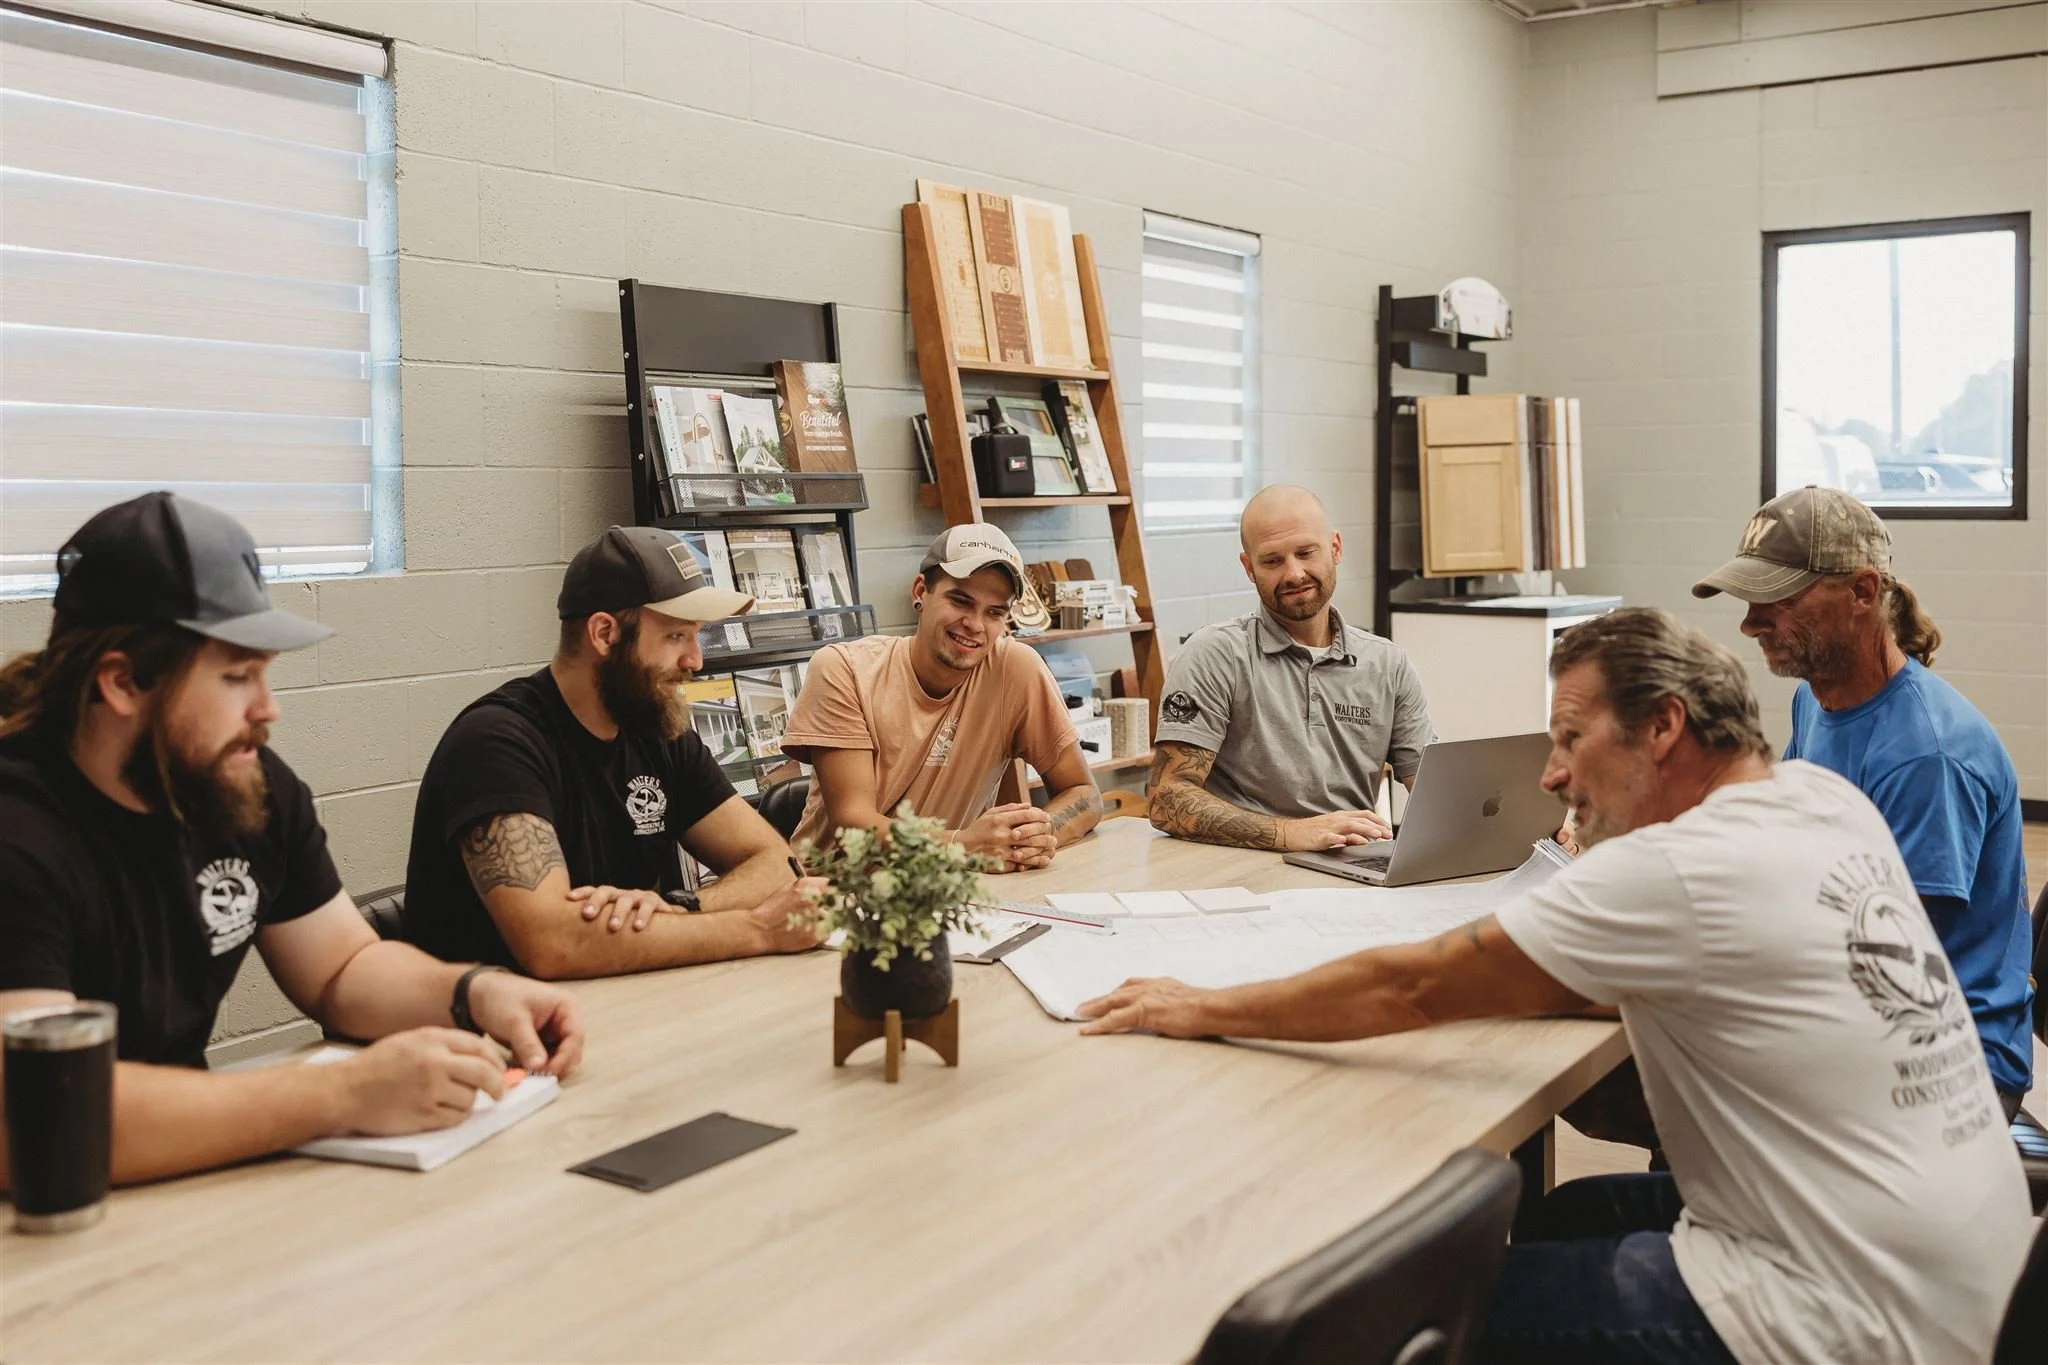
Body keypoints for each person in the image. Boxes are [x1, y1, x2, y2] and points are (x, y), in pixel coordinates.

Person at [1081, 607, 2032, 1365]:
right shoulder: (1821, 797)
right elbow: (1630, 980)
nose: (1552, 773)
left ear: (1662, 727)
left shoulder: (1674, 870)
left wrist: (1200, 1004)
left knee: (1416, 1314)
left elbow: (1415, 987)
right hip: (1962, 1254)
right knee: (1550, 1217)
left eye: (1572, 737)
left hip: (1858, 1316)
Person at [0, 494, 584, 1188]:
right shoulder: (20, 828)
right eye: (236, 676)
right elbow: (37, 1111)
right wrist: (343, 1093)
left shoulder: (243, 785)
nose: (267, 708)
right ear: (122, 682)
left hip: (170, 1180)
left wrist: (476, 992)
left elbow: (342, 968)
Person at [1695, 485, 2034, 1117]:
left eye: (1779, 601)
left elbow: (1887, 966)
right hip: (1862, 1022)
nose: (1750, 624)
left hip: (1946, 1065)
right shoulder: (1816, 699)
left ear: (1862, 592)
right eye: (1749, 602)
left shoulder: (1926, 756)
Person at [402, 526, 821, 979]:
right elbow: (554, 944)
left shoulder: (658, 728)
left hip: (617, 999)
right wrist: (759, 929)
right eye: (676, 637)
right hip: (485, 1018)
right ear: (604, 633)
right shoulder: (495, 744)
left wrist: (679, 909)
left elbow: (777, 865)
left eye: (696, 636)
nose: (696, 661)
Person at [782, 524, 1100, 871]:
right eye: (961, 601)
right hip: (833, 890)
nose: (975, 625)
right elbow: (854, 825)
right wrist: (963, 846)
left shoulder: (1016, 670)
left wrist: (1034, 836)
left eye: (994, 612)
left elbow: (1084, 794)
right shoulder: (844, 669)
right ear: (921, 591)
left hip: (947, 889)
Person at [1148, 484, 1435, 850]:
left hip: (1349, 865)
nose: (1294, 574)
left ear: (1335, 548)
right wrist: (1287, 833)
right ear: (1249, 568)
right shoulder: (1215, 654)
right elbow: (1167, 799)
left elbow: (1434, 791)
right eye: (1272, 561)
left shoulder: (1388, 664)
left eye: (1305, 552)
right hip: (1243, 866)